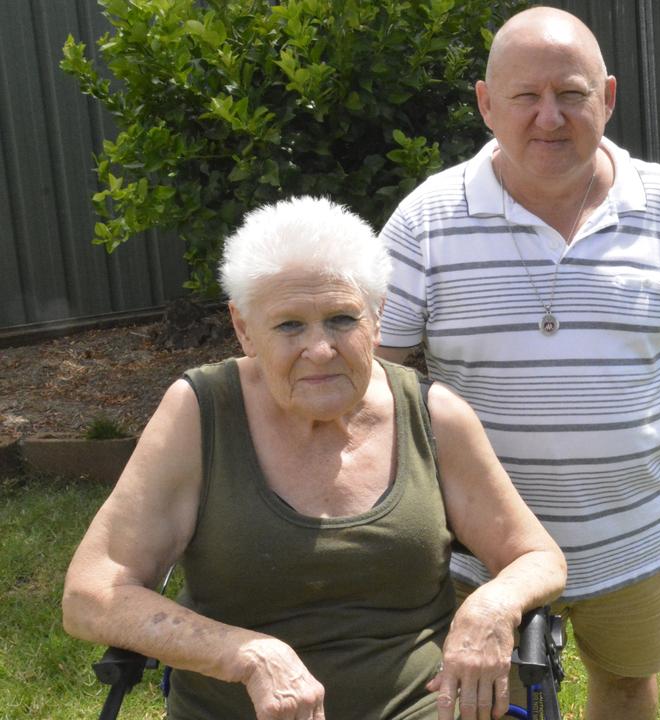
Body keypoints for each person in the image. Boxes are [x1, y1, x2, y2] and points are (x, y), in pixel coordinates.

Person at [375, 7, 660, 718]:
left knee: (627, 683)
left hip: (633, 535)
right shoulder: (426, 221)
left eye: (571, 93)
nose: (549, 118)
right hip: (481, 547)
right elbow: (378, 361)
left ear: (609, 97)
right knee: (482, 698)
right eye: (525, 97)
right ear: (485, 103)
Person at [63, 196, 566, 720]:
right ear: (243, 328)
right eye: (288, 326)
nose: (320, 349)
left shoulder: (433, 415)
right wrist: (248, 655)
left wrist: (491, 604)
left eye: (341, 319)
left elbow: (538, 557)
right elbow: (92, 593)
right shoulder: (200, 411)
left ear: (378, 316)